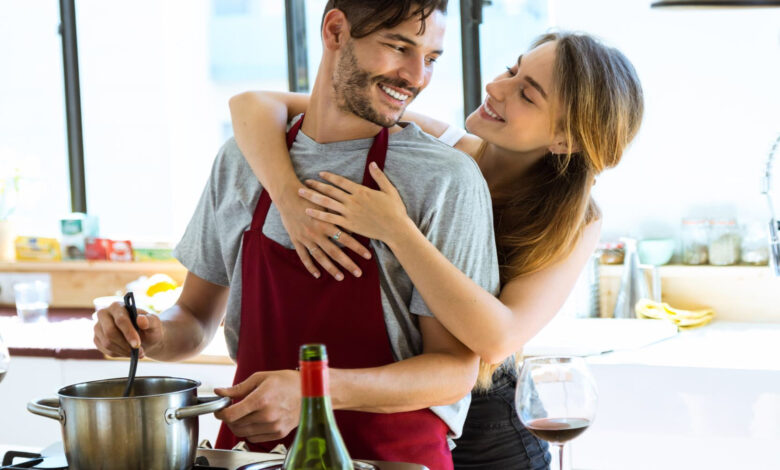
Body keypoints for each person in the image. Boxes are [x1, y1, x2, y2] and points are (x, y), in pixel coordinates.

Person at [93, 2, 501, 469]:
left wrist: (312, 390)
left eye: (430, 58)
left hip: (392, 459)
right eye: (398, 47)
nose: (416, 76)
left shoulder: (443, 178)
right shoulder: (244, 159)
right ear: (335, 31)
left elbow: (454, 371)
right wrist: (150, 333)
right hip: (250, 458)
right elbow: (195, 318)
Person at [228, 30, 644, 469]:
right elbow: (252, 104)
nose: (496, 88)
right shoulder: (437, 147)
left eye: (526, 93)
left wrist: (398, 231)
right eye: (512, 69)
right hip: (398, 413)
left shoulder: (576, 221)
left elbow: (497, 339)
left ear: (564, 139)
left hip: (491, 435)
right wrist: (288, 197)